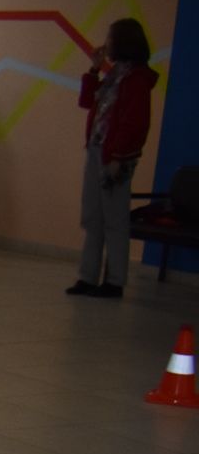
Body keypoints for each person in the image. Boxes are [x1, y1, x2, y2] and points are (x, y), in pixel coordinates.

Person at [69, 18, 157, 298]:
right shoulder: (114, 74)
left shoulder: (137, 79)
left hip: (116, 156)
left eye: (111, 37)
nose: (106, 43)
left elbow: (136, 122)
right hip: (97, 150)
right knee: (92, 216)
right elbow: (87, 102)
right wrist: (94, 69)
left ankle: (115, 280)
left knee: (115, 219)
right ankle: (87, 276)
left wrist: (118, 156)